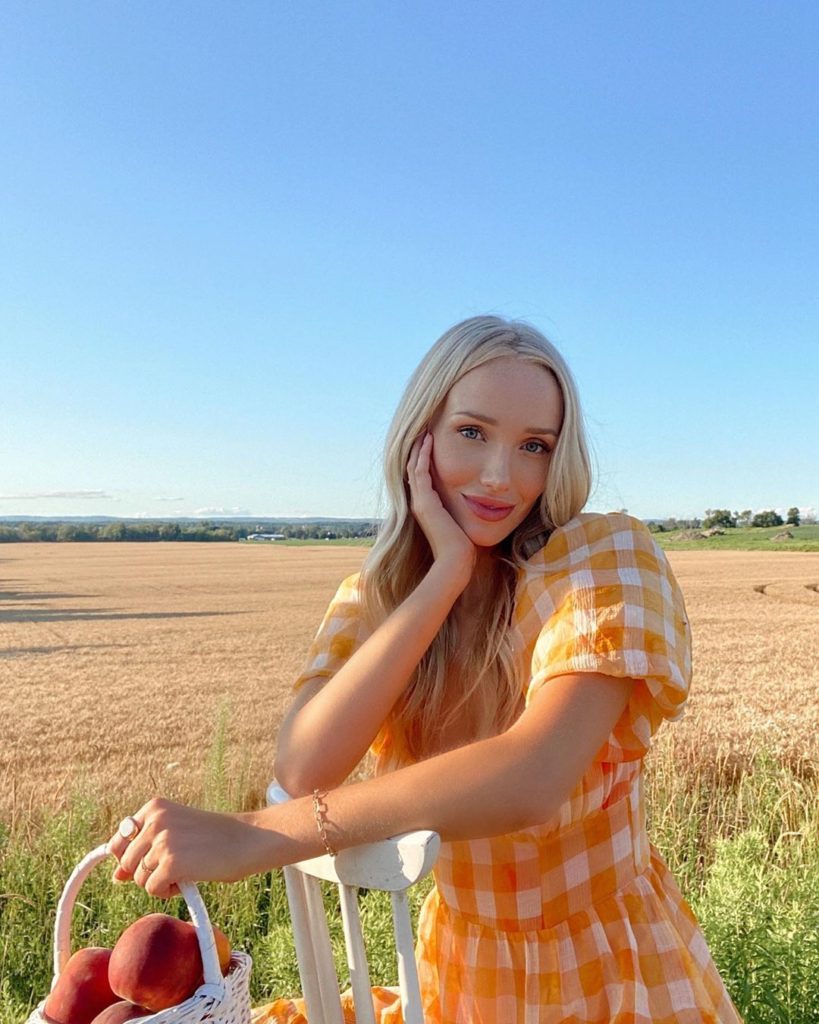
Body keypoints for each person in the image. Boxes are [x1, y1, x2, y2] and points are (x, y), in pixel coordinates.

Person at [109, 316, 742, 1023]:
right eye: (472, 431)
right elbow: (304, 763)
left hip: (605, 975)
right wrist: (443, 577)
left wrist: (259, 833)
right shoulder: (377, 596)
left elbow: (532, 778)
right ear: (421, 438)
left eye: (534, 445)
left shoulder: (604, 558)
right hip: (456, 978)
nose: (501, 475)